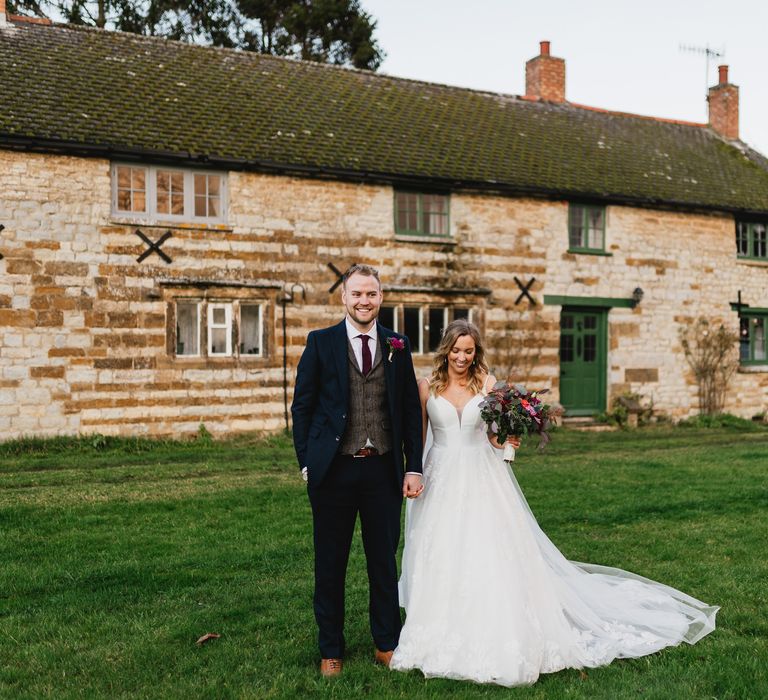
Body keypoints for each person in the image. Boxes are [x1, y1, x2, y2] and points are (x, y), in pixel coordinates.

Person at [390, 319, 718, 687]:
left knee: (489, 549)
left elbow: (494, 439)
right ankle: (436, 624)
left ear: (475, 351)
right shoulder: (426, 386)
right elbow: (415, 439)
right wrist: (412, 473)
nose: (462, 357)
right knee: (441, 550)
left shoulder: (488, 385)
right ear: (445, 349)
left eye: (469, 350)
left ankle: (498, 622)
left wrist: (508, 440)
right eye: (456, 350)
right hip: (441, 477)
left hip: (482, 475)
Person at [291, 264, 424, 678]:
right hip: (334, 471)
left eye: (371, 294)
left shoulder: (397, 345)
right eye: (357, 294)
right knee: (330, 564)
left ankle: (387, 642)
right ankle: (331, 648)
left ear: (380, 297)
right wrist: (308, 463)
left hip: (382, 470)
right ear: (344, 298)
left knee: (383, 561)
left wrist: (414, 466)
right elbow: (302, 407)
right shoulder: (321, 342)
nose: (364, 301)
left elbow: (407, 410)